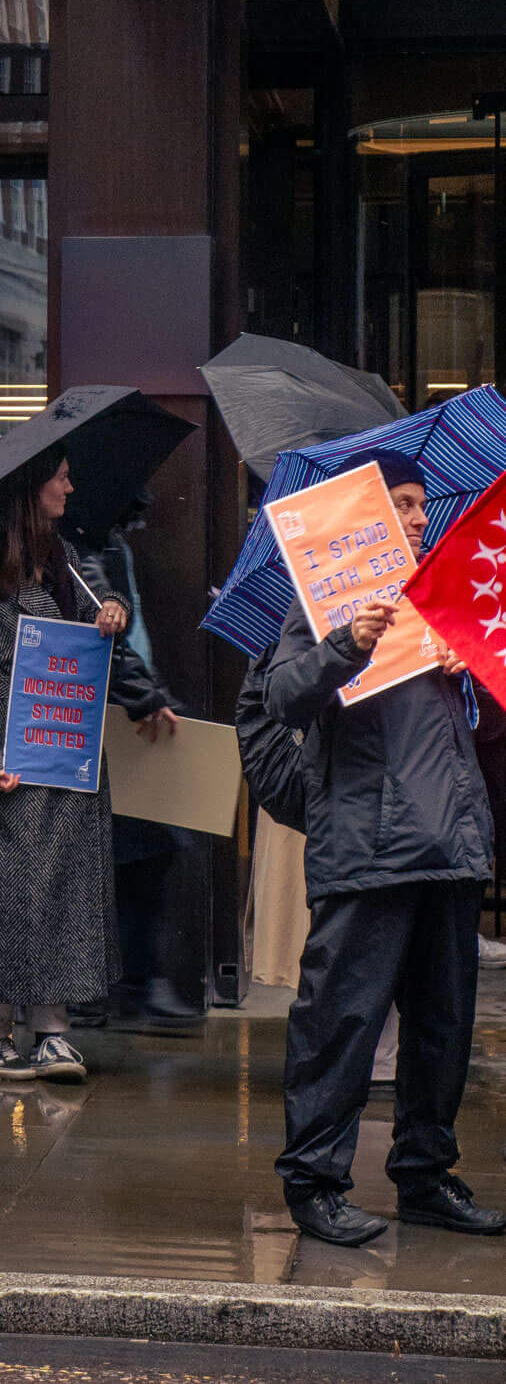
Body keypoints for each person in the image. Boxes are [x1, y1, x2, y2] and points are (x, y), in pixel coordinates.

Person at [263, 449, 504, 1247]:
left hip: (450, 842)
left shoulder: (444, 601)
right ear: (368, 514)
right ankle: (316, 1182)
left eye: (420, 503)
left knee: (442, 1028)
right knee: (341, 1020)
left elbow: (488, 724)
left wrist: (466, 665)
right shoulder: (327, 597)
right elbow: (279, 695)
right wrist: (344, 643)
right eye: (401, 502)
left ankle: (426, 1176)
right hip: (368, 848)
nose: (415, 516)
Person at [0, 443, 160, 1085]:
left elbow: (93, 628)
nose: (68, 488)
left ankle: (55, 1029)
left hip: (68, 764)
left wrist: (111, 612)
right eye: (59, 478)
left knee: (62, 895)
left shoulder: (62, 563)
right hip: (8, 766)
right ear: (28, 490)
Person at [69, 498, 201, 1033]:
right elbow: (110, 640)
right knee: (126, 852)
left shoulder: (106, 543)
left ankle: (122, 982)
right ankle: (109, 985)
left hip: (124, 710)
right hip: (108, 715)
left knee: (142, 851)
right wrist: (145, 695)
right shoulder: (87, 547)